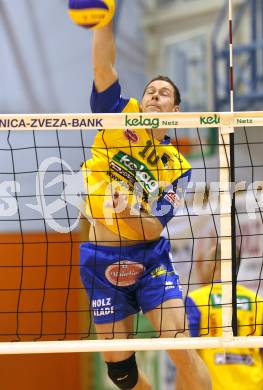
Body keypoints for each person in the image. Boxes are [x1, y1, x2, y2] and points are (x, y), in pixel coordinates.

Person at [71, 6, 211, 389]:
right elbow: (104, 68)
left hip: (149, 259)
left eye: (164, 93)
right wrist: (103, 19)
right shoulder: (120, 114)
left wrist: (130, 211)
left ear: (176, 111)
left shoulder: (177, 166)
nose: (154, 95)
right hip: (101, 257)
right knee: (120, 372)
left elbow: (152, 225)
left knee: (182, 348)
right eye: (150, 90)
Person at [185, 245, 263, 390]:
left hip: (212, 386)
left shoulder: (196, 299)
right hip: (254, 385)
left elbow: (187, 357)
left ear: (213, 264)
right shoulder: (258, 302)